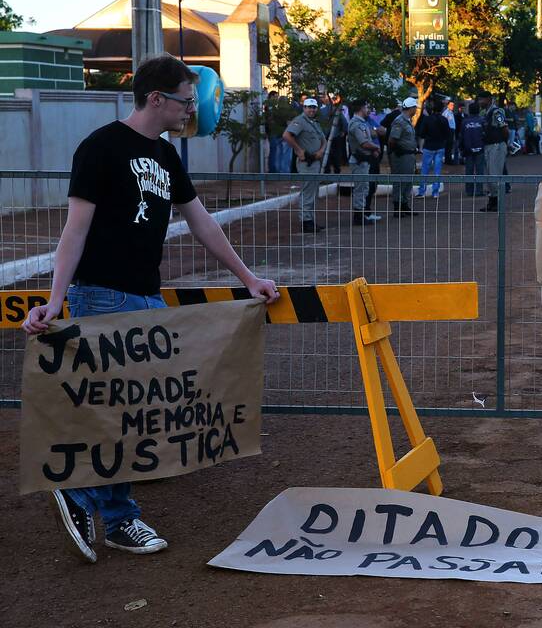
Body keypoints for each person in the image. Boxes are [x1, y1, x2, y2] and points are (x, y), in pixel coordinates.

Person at [21, 54, 280, 563]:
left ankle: (94, 503)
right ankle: (106, 510)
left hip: (146, 294)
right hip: (102, 294)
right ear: (156, 98)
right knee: (121, 410)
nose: (191, 111)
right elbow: (75, 230)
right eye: (186, 101)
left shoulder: (164, 156)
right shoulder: (100, 148)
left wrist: (247, 278)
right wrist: (56, 299)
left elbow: (201, 222)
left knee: (138, 412)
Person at [283, 97, 327, 233]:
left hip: (315, 160)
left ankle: (311, 220)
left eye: (314, 107)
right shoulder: (300, 121)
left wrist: (320, 151)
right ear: (304, 108)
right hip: (306, 161)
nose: (311, 110)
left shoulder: (314, 123)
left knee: (313, 192)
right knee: (307, 191)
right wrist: (298, 150)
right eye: (309, 107)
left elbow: (323, 139)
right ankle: (306, 221)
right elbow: (287, 135)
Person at [347, 99, 381, 225]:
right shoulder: (356, 124)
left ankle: (362, 214)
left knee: (364, 188)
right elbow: (364, 143)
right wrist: (376, 148)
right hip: (359, 160)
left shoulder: (362, 123)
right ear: (361, 108)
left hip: (365, 160)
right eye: (366, 107)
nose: (368, 110)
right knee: (360, 189)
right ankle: (358, 217)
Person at [387, 97, 420, 215]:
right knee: (400, 180)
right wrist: (398, 150)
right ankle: (397, 207)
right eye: (415, 108)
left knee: (408, 181)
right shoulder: (400, 121)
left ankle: (404, 205)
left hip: (408, 155)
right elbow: (392, 140)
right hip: (401, 156)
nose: (416, 110)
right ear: (410, 108)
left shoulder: (407, 120)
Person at [479, 91, 509, 212]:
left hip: (496, 145)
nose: (480, 102)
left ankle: (498, 203)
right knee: (490, 176)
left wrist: (503, 143)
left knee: (495, 175)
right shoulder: (486, 113)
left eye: (482, 99)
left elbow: (504, 128)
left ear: (489, 99)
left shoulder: (497, 112)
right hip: (489, 146)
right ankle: (492, 201)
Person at [416, 97, 450, 198]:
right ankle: (435, 192)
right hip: (440, 146)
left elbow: (421, 134)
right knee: (437, 170)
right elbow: (448, 134)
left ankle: (422, 191)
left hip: (429, 146)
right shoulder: (444, 119)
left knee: (425, 169)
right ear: (441, 109)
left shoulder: (427, 119)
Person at [462, 102, 486, 195]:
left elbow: (461, 136)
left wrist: (462, 148)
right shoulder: (482, 121)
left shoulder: (465, 121)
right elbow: (485, 134)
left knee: (469, 171)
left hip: (468, 149)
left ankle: (469, 191)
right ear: (478, 110)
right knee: (480, 171)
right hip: (480, 148)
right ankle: (479, 191)